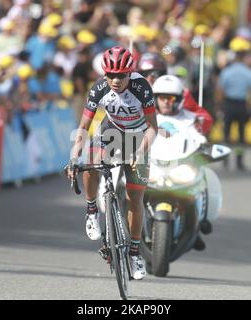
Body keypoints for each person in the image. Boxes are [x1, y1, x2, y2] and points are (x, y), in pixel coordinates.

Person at [65, 46, 158, 280]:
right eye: (111, 75)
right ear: (104, 74)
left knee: (134, 197)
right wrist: (74, 156)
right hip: (111, 130)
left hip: (138, 136)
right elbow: (84, 126)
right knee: (91, 161)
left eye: (122, 75)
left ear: (130, 73)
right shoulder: (98, 88)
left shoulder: (142, 88)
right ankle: (91, 210)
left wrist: (139, 151)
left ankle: (135, 253)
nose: (116, 80)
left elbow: (153, 127)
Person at [152, 74, 209, 251]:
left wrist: (204, 146)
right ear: (155, 99)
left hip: (178, 166)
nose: (166, 102)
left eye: (171, 98)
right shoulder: (144, 115)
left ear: (178, 99)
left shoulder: (191, 119)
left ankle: (199, 223)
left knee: (203, 178)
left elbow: (199, 137)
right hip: (150, 165)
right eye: (162, 98)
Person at [138, 52, 214, 135]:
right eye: (144, 74)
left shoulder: (178, 92)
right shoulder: (129, 92)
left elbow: (206, 119)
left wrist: (198, 122)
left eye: (154, 74)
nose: (149, 78)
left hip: (173, 136)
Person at [216, 44, 251, 171]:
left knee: (226, 134)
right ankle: (239, 162)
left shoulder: (227, 72)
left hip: (229, 103)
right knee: (241, 134)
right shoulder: (248, 72)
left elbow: (220, 90)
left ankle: (225, 160)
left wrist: (220, 106)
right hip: (242, 104)